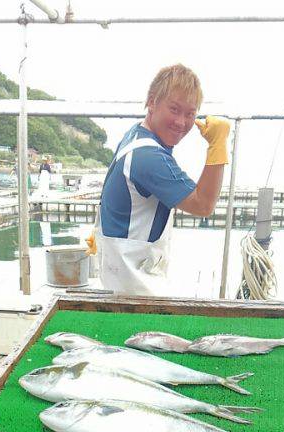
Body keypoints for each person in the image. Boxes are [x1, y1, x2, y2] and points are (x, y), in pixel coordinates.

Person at [89, 64, 230, 295]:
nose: (181, 122)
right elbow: (204, 204)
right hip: (133, 286)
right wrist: (218, 146)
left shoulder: (136, 135)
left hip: (119, 276)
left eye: (190, 114)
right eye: (174, 109)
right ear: (152, 102)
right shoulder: (149, 157)